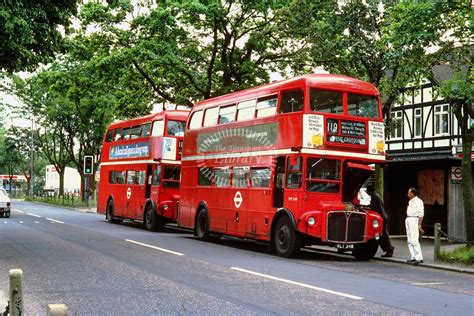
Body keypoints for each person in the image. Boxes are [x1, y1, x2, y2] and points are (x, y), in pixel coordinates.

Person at [366, 185, 394, 257]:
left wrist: (365, 207)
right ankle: (389, 248)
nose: (366, 192)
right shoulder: (376, 195)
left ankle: (389, 250)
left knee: (383, 235)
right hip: (382, 216)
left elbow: (372, 207)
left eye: (367, 190)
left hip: (380, 217)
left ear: (370, 191)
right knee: (381, 235)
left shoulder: (374, 196)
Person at [405, 187, 424, 264]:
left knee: (414, 239)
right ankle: (413, 256)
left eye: (409, 193)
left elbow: (421, 214)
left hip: (414, 219)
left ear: (412, 193)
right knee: (409, 239)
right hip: (409, 219)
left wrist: (419, 224)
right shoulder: (410, 201)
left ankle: (419, 257)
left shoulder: (418, 201)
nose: (408, 194)